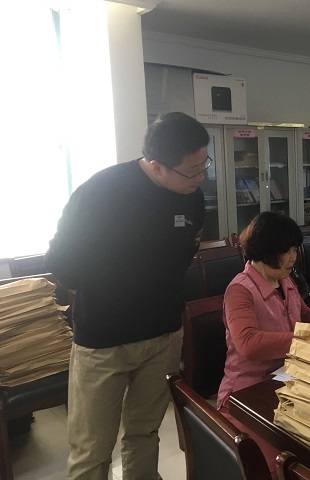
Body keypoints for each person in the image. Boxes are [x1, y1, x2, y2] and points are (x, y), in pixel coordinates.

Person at [45, 112, 210, 480]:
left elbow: (183, 255)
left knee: (144, 431)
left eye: (204, 165)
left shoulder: (192, 198)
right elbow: (61, 262)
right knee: (92, 448)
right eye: (191, 171)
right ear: (156, 165)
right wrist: (111, 289)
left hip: (163, 335)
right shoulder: (100, 192)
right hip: (104, 342)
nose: (200, 177)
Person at [217, 211, 310, 477]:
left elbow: (304, 319)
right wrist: (308, 339)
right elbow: (248, 343)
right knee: (282, 462)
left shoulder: (285, 279)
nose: (294, 257)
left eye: (295, 249)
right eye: (287, 251)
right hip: (247, 393)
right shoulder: (240, 290)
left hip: (288, 381)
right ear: (266, 250)